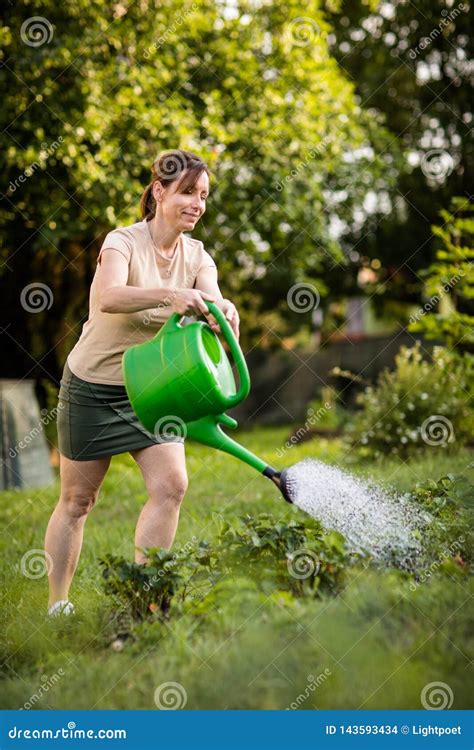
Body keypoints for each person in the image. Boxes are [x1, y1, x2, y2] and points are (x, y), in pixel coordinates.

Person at [44, 149, 240, 617]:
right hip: (93, 385)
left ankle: (145, 601)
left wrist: (222, 312)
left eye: (204, 196)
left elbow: (210, 298)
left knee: (172, 485)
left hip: (150, 392)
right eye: (188, 192)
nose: (197, 204)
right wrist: (171, 295)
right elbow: (108, 299)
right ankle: (58, 605)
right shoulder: (122, 242)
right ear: (159, 191)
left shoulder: (197, 256)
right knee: (77, 500)